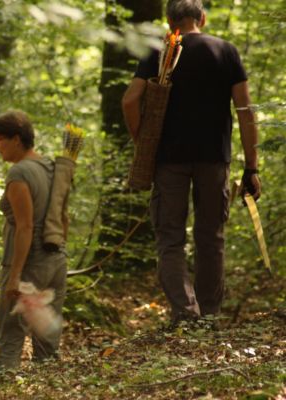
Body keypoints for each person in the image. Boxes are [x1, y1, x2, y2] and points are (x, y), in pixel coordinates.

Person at [121, 0, 261, 327]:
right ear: (203, 18)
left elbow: (129, 100)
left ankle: (186, 314)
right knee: (211, 237)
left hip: (168, 160)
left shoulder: (161, 51)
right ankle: (209, 316)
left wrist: (142, 141)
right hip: (214, 159)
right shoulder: (226, 51)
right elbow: (245, 111)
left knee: (170, 238)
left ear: (170, 21)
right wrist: (251, 167)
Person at [0, 110, 67, 371]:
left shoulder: (19, 173)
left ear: (17, 139)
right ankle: (49, 386)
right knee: (47, 341)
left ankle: (3, 386)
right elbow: (63, 217)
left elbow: (25, 226)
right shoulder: (51, 167)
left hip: (28, 264)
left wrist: (15, 276)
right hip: (55, 261)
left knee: (10, 333)